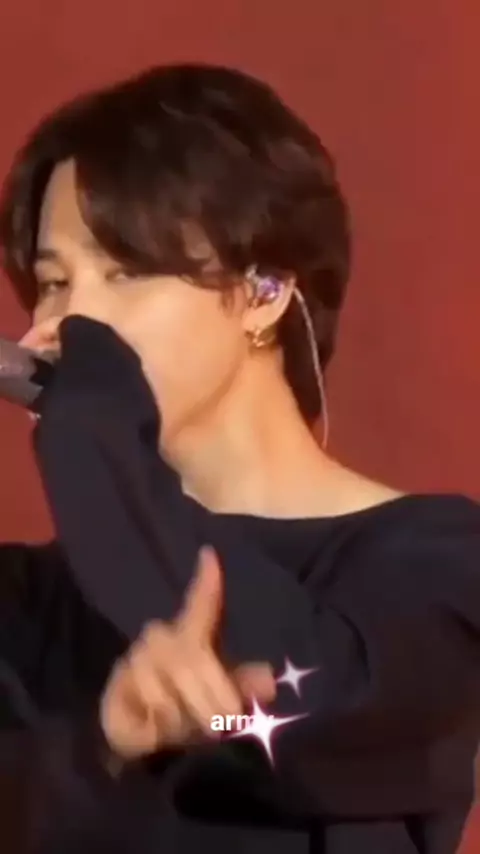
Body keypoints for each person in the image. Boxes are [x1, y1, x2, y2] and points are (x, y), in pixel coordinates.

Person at [0, 62, 479, 854]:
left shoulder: (436, 565)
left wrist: (92, 432)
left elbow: (312, 713)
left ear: (264, 291)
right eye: (53, 282)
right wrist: (102, 751)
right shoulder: (27, 602)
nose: (65, 321)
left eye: (125, 271)